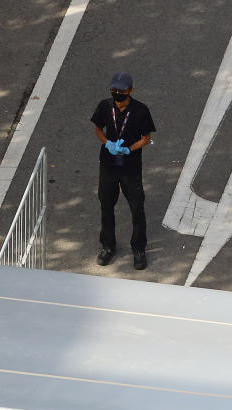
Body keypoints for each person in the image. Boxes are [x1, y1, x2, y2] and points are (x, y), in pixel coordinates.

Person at [91, 70, 156, 271]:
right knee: (106, 205)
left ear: (130, 90)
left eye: (121, 90)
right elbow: (98, 129)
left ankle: (138, 248)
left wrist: (128, 149)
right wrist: (108, 143)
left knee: (137, 208)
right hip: (108, 165)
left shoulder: (141, 111)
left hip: (130, 167)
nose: (117, 93)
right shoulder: (104, 106)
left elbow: (146, 138)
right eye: (114, 89)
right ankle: (107, 246)